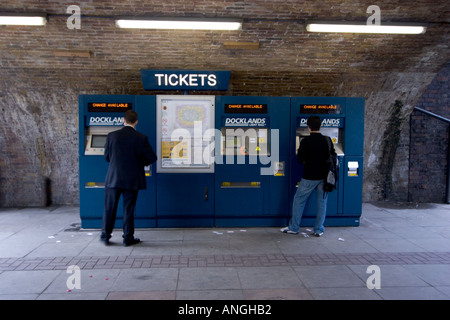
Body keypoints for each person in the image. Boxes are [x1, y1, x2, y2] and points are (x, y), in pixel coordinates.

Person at [100, 110, 157, 246]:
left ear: (123, 120)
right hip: (132, 179)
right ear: (136, 122)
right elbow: (152, 158)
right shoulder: (141, 138)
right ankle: (127, 238)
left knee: (109, 208)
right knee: (129, 209)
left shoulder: (112, 136)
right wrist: (137, 163)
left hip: (114, 178)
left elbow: (107, 157)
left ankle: (105, 236)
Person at [281, 115, 336, 237]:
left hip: (309, 177)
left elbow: (300, 159)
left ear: (308, 127)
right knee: (322, 203)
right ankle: (318, 229)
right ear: (320, 126)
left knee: (299, 200)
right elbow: (333, 155)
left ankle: (294, 227)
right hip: (324, 177)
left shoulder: (305, 141)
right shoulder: (327, 140)